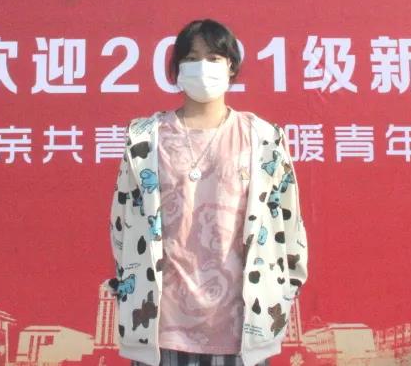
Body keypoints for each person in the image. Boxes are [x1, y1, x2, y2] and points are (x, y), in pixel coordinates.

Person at [108, 19, 309, 366]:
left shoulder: (263, 138)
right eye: (192, 58)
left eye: (214, 58)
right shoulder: (145, 138)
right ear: (176, 69)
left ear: (231, 66)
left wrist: (284, 290)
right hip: (161, 328)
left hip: (242, 328)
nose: (203, 67)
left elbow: (288, 222)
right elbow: (121, 224)